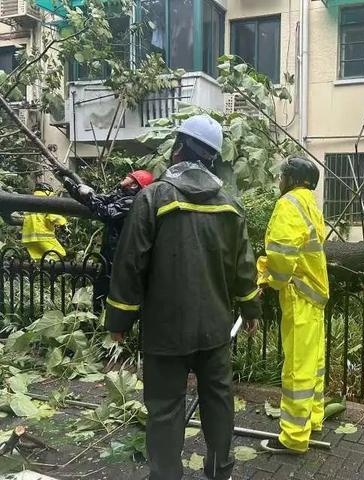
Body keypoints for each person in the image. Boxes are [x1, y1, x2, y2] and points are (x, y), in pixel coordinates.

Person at [105, 114, 262, 480]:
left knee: (164, 409)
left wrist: (119, 320)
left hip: (165, 331)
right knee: (218, 401)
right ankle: (220, 471)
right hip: (214, 331)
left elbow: (130, 263)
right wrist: (251, 308)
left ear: (179, 149)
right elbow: (245, 266)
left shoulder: (153, 197)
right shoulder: (229, 205)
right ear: (213, 157)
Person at [257, 156, 328, 454]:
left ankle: (294, 437)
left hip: (298, 292)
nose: (278, 181)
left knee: (297, 365)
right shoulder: (309, 201)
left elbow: (282, 253)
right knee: (313, 362)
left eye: (281, 176)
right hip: (314, 292)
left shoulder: (288, 204)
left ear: (290, 177)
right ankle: (312, 419)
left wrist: (269, 278)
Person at [62, 170, 154, 310]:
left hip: (119, 255)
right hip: (110, 253)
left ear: (135, 185)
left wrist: (89, 195)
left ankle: (108, 320)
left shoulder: (132, 202)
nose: (126, 177)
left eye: (130, 177)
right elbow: (99, 201)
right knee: (102, 287)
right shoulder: (121, 196)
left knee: (111, 290)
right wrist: (74, 188)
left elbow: (106, 212)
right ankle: (100, 318)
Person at [21, 182, 68, 261]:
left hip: (28, 238)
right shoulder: (46, 201)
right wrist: (63, 223)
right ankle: (47, 264)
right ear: (47, 192)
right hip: (43, 236)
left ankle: (39, 269)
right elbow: (53, 216)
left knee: (38, 257)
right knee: (59, 253)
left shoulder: (29, 203)